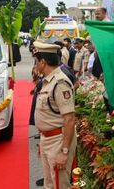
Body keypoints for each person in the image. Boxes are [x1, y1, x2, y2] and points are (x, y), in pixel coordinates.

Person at [33, 41, 76, 189]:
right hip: (48, 139)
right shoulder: (47, 81)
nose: (35, 65)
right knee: (49, 184)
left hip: (58, 141)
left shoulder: (60, 82)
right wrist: (43, 139)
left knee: (60, 184)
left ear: (43, 62)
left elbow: (69, 119)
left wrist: (64, 151)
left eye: (36, 61)